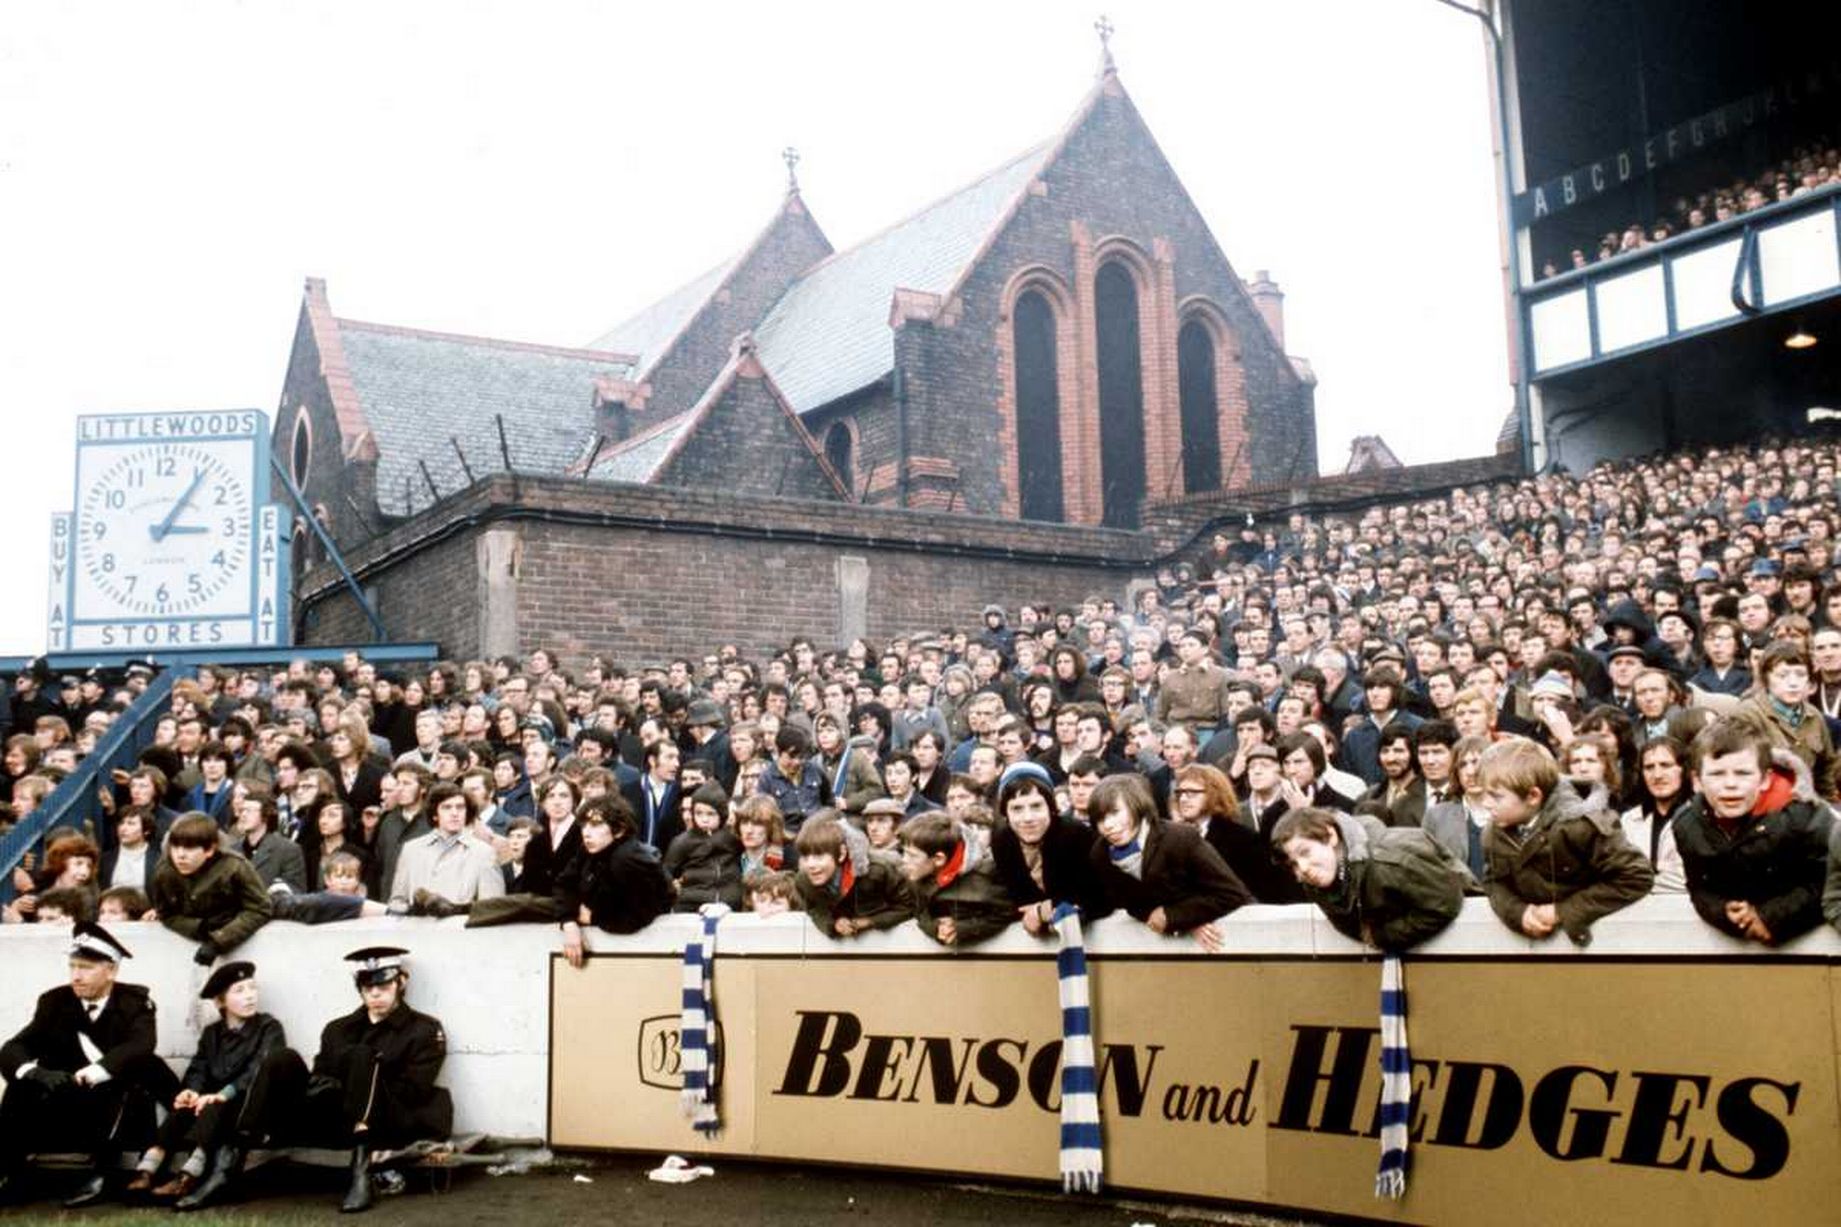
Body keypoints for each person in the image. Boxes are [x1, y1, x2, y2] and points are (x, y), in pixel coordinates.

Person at [0, 923, 177, 1208]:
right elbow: (14, 1047)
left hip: (117, 1102)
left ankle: (103, 1176)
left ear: (111, 971)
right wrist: (36, 1072)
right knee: (21, 1087)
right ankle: (13, 1173)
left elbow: (141, 1045)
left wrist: (98, 1071)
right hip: (68, 1099)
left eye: (86, 967)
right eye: (72, 966)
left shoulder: (135, 1003)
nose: (76, 976)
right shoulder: (55, 1002)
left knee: (129, 1083)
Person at [270, 947, 452, 1213]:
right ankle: (236, 1152)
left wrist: (366, 1075)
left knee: (362, 1056)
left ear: (401, 982)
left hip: (392, 1119)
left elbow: (414, 1091)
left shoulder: (424, 1029)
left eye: (383, 986)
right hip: (339, 1117)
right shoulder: (338, 1029)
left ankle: (361, 1173)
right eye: (368, 988)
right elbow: (320, 1075)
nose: (375, 994)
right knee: (282, 1059)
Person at [127, 961, 288, 1209]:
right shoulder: (212, 1033)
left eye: (252, 988)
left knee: (215, 1109)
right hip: (212, 1101)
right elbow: (199, 1067)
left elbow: (258, 1068)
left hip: (246, 1104)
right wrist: (190, 1091)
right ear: (220, 1002)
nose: (250, 996)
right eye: (239, 991)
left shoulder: (269, 1027)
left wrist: (223, 1094)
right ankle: (147, 1169)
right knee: (184, 1110)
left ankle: (188, 1176)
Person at [1476, 737, 1654, 946]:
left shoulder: (1580, 826)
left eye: (1496, 796)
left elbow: (1636, 876)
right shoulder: (1495, 832)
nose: (1485, 804)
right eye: (1483, 794)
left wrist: (1564, 911)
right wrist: (1518, 913)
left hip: (1599, 942)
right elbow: (1494, 882)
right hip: (1532, 945)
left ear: (1533, 796)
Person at [1673, 722, 1834, 945]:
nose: (1731, 784)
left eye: (1743, 773)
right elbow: (1699, 886)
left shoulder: (1805, 819)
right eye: (1717, 774)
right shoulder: (1687, 825)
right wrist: (1722, 911)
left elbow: (1829, 883)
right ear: (1697, 781)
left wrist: (1770, 917)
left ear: (1765, 779)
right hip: (1735, 947)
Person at [1088, 773, 1251, 952]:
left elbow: (1232, 893)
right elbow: (1132, 904)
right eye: (1100, 819)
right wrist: (1179, 923)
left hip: (1230, 938)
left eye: (1115, 813)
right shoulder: (1101, 853)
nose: (1108, 825)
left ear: (1136, 806)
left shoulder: (1179, 838)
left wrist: (1178, 917)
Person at [1273, 807, 1466, 951]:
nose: (1303, 869)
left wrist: (1383, 936)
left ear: (1330, 836)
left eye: (1305, 852)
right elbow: (1351, 925)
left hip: (1466, 922)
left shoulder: (1388, 861)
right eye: (1293, 864)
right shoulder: (1317, 879)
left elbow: (1445, 903)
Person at [986, 765, 1110, 932]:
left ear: (1050, 807)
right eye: (1017, 809)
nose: (1028, 818)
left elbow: (1099, 896)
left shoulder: (1076, 835)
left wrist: (1042, 910)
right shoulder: (1002, 840)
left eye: (1036, 806)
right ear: (1005, 814)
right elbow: (1019, 899)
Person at [553, 795, 675, 962]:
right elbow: (564, 884)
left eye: (596, 825)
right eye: (584, 825)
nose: (586, 833)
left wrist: (594, 917)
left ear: (619, 830)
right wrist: (569, 922)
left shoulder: (628, 859)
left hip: (640, 951)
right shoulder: (588, 851)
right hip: (604, 939)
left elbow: (636, 916)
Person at [150, 813, 273, 964]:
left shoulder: (235, 867)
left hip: (241, 941)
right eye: (175, 847)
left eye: (189, 848)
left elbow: (260, 909)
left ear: (209, 850)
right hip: (191, 944)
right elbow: (166, 914)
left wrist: (220, 940)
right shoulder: (164, 871)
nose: (180, 855)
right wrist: (198, 927)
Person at [1172, 762, 1301, 903]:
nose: (1183, 799)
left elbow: (1257, 891)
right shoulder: (1174, 838)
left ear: (1213, 794)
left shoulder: (1240, 839)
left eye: (1191, 793)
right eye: (1180, 793)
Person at [389, 782, 505, 917]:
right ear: (435, 814)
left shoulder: (484, 853)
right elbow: (397, 902)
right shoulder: (411, 849)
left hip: (460, 928)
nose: (454, 813)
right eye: (447, 807)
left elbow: (492, 908)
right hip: (417, 927)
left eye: (460, 807)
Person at [899, 812, 1016, 946]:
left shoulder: (985, 878)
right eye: (903, 852)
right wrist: (935, 927)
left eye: (912, 856)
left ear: (939, 859)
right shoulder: (915, 874)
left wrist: (962, 929)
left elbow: (1006, 913)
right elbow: (918, 910)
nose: (904, 860)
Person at [791, 814, 911, 938]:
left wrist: (870, 921)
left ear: (841, 854)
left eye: (819, 856)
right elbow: (815, 910)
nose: (810, 865)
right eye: (805, 857)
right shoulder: (803, 881)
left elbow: (908, 905)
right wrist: (834, 924)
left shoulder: (877, 871)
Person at [1620, 736, 1690, 893]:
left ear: (1683, 769)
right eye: (1649, 767)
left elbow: (1690, 877)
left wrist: (1634, 881)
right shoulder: (1629, 820)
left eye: (1665, 765)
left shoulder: (1701, 817)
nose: (1657, 775)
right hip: (1636, 905)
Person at [663, 782, 743, 911]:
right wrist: (673, 891)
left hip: (729, 903)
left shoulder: (732, 838)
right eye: (698, 813)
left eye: (711, 814)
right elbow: (666, 872)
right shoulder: (683, 841)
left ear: (722, 814)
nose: (704, 819)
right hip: (692, 905)